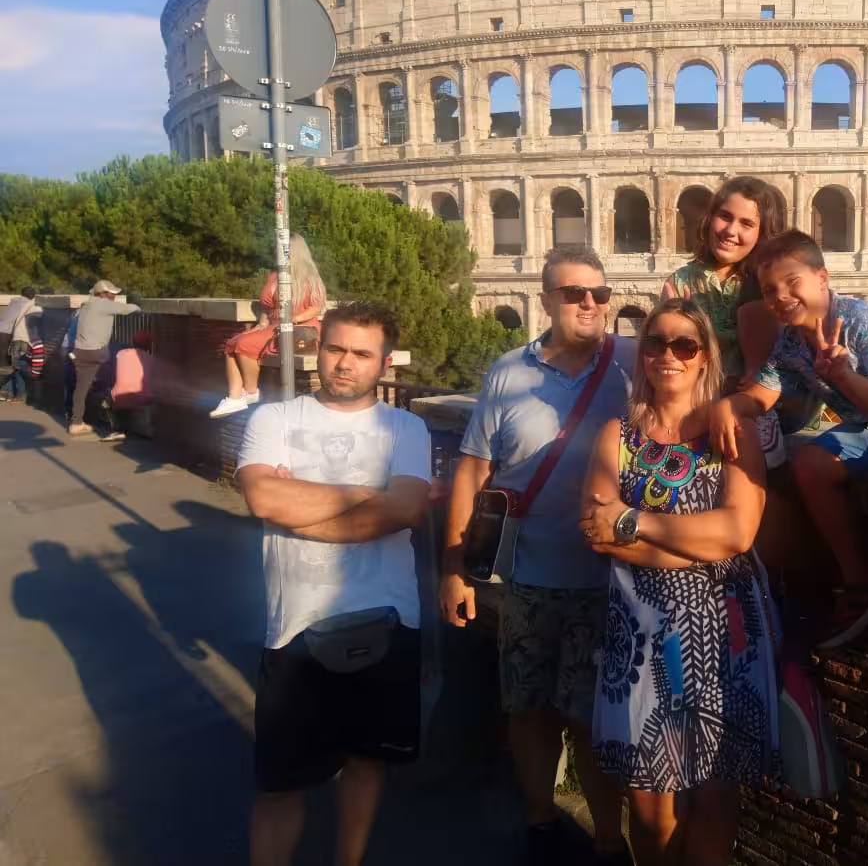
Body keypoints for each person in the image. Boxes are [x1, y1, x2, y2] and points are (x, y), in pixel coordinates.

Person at [441, 247, 636, 866]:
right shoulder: (507, 371)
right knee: (527, 710)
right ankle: (541, 820)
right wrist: (455, 568)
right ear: (546, 298)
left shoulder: (635, 362)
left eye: (600, 294)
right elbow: (473, 470)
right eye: (575, 293)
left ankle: (608, 840)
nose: (590, 303)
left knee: (590, 720)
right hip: (526, 575)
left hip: (609, 581)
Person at [579, 298, 776, 866]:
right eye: (656, 343)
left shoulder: (732, 429)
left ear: (704, 357)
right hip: (639, 637)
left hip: (721, 637)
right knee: (648, 806)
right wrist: (696, 551)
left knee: (715, 793)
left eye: (684, 345)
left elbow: (737, 532)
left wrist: (635, 524)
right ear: (641, 355)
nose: (669, 354)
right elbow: (596, 530)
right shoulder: (617, 434)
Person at [235, 301, 431, 866]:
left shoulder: (406, 426)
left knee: (367, 763)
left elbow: (406, 511)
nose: (345, 363)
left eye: (362, 354)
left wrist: (303, 504)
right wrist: (371, 497)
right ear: (318, 349)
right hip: (296, 620)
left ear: (384, 363)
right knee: (279, 784)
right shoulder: (274, 419)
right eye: (336, 349)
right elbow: (263, 498)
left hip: (389, 619)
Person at [710, 230, 868, 648]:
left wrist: (842, 375)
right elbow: (762, 394)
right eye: (770, 290)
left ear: (822, 278)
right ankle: (861, 581)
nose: (781, 296)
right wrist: (731, 407)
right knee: (807, 466)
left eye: (791, 282)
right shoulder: (791, 341)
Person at [662, 175, 791, 459]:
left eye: (747, 224)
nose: (731, 231)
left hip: (750, 414)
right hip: (692, 411)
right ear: (710, 219)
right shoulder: (681, 281)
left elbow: (774, 362)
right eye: (725, 216)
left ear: (762, 232)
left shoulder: (768, 283)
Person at [212, 234, 327, 418]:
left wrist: (294, 319)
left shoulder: (309, 277)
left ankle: (250, 391)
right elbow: (266, 305)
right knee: (232, 342)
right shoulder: (274, 276)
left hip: (298, 329)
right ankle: (234, 396)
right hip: (273, 326)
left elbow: (316, 307)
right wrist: (262, 322)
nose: (278, 252)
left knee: (244, 345)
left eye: (283, 249)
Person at [69, 280, 141, 436]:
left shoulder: (86, 305)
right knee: (114, 382)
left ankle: (76, 422)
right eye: (112, 294)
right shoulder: (104, 303)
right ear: (103, 294)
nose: (114, 297)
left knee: (81, 388)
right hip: (97, 352)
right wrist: (137, 303)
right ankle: (115, 427)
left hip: (80, 351)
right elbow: (130, 309)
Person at [97, 329, 161, 442]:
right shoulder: (152, 360)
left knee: (108, 396)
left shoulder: (121, 354)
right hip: (144, 398)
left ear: (133, 341)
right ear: (149, 345)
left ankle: (117, 430)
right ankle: (152, 428)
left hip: (120, 399)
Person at [0, 287, 41, 402]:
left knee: (9, 366)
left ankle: (9, 392)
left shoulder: (14, 302)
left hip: (7, 333)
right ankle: (16, 392)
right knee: (19, 366)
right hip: (14, 336)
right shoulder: (31, 304)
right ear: (33, 296)